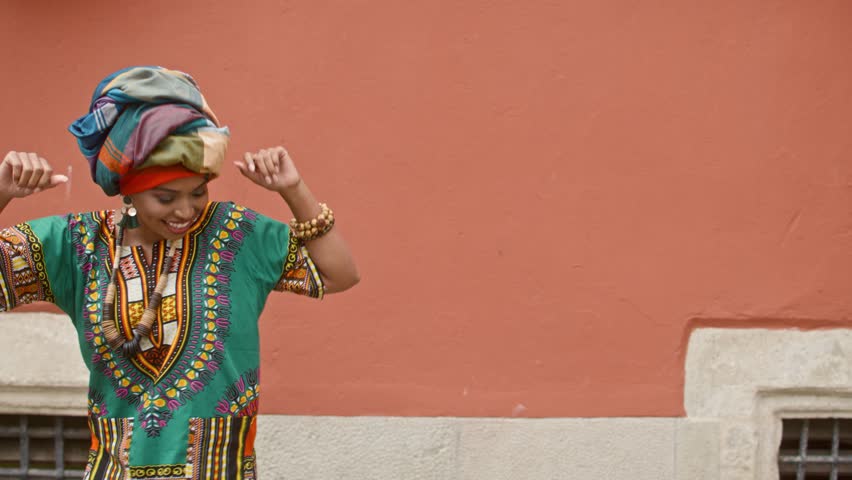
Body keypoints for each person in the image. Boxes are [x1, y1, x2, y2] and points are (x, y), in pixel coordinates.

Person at [0, 66, 359, 479]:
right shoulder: (77, 245)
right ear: (128, 188)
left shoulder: (237, 234)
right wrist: (4, 190)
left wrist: (293, 190)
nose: (185, 211)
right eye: (166, 196)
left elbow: (338, 275)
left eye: (198, 192)